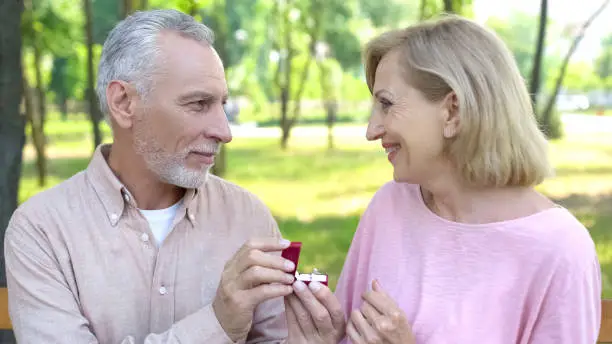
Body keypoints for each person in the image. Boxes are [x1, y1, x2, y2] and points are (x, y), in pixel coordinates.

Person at [3, 9, 344, 343]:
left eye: (222, 104)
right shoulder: (41, 231)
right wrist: (218, 324)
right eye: (198, 104)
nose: (224, 131)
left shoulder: (248, 217)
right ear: (123, 103)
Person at [327, 15, 601, 343]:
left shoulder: (560, 249)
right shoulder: (389, 207)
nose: (372, 131)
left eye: (386, 104)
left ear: (453, 112)